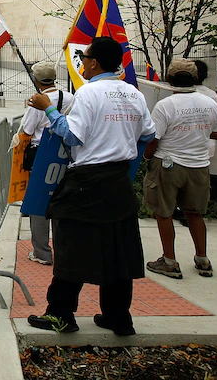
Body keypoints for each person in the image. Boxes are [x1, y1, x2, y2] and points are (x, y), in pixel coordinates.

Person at [25, 37, 155, 336]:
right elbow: (149, 133)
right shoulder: (133, 94)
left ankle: (60, 314)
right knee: (118, 251)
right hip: (119, 182)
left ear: (94, 62)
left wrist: (48, 109)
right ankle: (118, 317)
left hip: (86, 182)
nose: (81, 63)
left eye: (84, 58)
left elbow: (72, 136)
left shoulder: (88, 93)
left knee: (72, 246)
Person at [143, 59, 217, 279]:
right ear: (196, 78)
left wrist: (147, 156)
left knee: (163, 212)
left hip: (168, 165)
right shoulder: (209, 103)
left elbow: (153, 138)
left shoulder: (166, 105)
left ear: (170, 79)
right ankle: (202, 259)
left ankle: (169, 261)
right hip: (199, 165)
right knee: (195, 214)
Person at [18, 61, 72, 266]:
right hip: (64, 152)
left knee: (39, 203)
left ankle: (42, 251)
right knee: (60, 201)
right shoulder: (70, 98)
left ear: (37, 80)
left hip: (41, 154)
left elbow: (28, 130)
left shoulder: (38, 101)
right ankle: (63, 249)